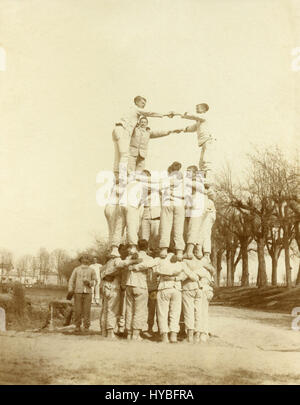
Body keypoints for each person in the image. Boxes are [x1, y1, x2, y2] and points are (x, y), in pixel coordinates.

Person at [112, 96, 168, 177]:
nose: (144, 105)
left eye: (144, 104)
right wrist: (165, 114)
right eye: (142, 103)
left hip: (117, 130)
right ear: (137, 102)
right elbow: (149, 113)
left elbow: (155, 133)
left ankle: (117, 174)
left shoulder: (131, 110)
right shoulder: (136, 109)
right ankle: (122, 176)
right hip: (122, 130)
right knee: (125, 155)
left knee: (118, 154)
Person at [100, 249, 142, 339]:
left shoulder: (106, 263)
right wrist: (134, 261)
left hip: (105, 286)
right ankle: (110, 332)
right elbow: (121, 264)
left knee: (105, 309)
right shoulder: (116, 260)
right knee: (112, 309)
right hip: (113, 286)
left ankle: (104, 331)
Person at [169, 103, 215, 185]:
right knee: (201, 163)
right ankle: (202, 179)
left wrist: (177, 113)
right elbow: (192, 128)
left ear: (204, 109)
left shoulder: (205, 116)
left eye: (198, 108)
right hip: (204, 142)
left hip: (209, 140)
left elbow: (192, 116)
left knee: (206, 160)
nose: (196, 109)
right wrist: (181, 129)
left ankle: (208, 179)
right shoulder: (199, 121)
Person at [110, 170, 150, 257]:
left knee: (119, 227)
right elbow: (142, 199)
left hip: (122, 205)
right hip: (132, 205)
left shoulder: (130, 182)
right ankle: (133, 247)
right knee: (132, 226)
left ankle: (114, 248)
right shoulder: (144, 185)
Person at [124, 239, 158, 340]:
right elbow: (151, 266)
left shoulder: (130, 257)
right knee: (139, 310)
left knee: (129, 309)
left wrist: (133, 266)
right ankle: (136, 334)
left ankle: (129, 333)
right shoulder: (149, 258)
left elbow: (125, 264)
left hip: (129, 284)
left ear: (138, 247)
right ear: (147, 247)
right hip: (140, 285)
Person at [154, 253, 191, 343]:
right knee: (175, 313)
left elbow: (155, 270)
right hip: (176, 288)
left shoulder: (160, 260)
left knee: (163, 313)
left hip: (164, 286)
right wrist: (176, 278)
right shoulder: (180, 262)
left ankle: (164, 336)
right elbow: (186, 274)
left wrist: (167, 275)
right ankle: (173, 336)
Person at [159, 162, 185, 261]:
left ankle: (164, 249)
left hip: (168, 202)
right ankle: (179, 251)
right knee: (179, 228)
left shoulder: (166, 179)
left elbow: (160, 189)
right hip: (179, 203)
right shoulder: (183, 179)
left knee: (165, 226)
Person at [183, 258, 214, 343]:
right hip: (204, 290)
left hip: (201, 290)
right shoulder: (207, 272)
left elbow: (191, 275)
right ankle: (201, 334)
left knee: (196, 313)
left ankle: (198, 335)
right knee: (201, 313)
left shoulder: (201, 269)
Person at [67, 254, 97, 333]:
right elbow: (71, 280)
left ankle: (86, 326)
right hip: (78, 292)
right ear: (81, 260)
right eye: (84, 259)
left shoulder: (92, 270)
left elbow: (95, 281)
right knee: (78, 310)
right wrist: (70, 289)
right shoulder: (76, 269)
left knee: (87, 310)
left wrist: (90, 283)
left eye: (87, 259)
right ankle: (77, 326)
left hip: (88, 292)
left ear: (89, 261)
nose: (85, 260)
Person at [184, 165, 206, 259]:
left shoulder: (198, 183)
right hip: (188, 210)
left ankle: (189, 252)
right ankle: (191, 251)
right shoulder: (188, 184)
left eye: (189, 171)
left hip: (197, 210)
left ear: (194, 173)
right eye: (187, 170)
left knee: (193, 230)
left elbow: (189, 184)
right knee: (188, 231)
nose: (187, 172)